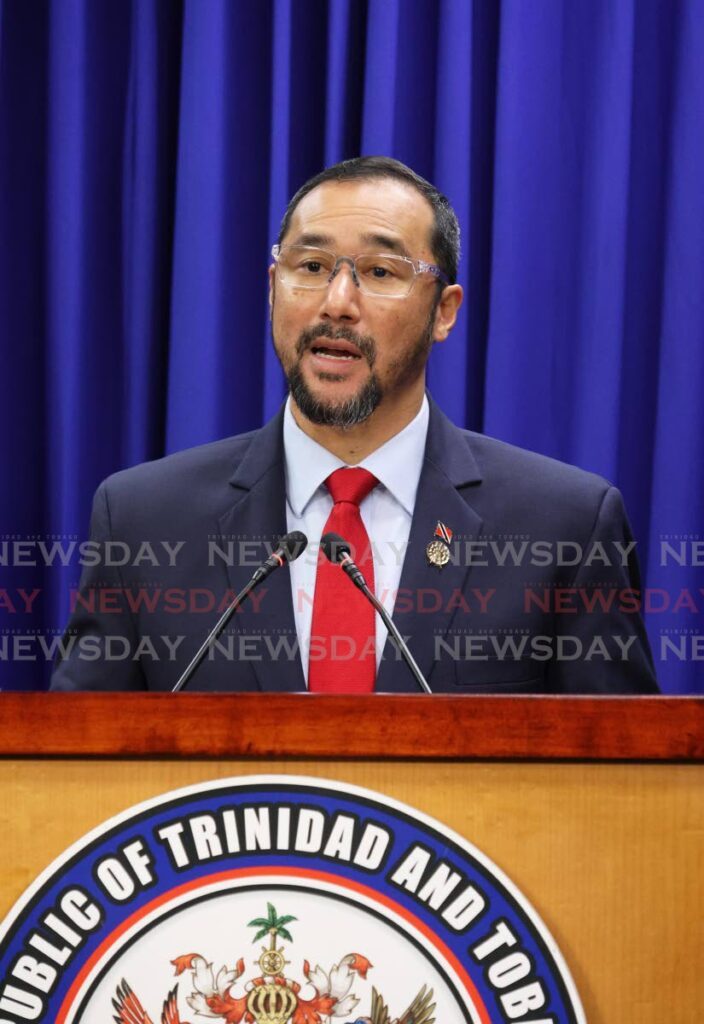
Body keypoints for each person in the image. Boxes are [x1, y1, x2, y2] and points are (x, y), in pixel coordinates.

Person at [51, 156, 659, 694]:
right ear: (273, 289)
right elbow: (73, 782)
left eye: (380, 272)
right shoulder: (142, 520)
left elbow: (621, 792)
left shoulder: (565, 526)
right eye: (311, 266)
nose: (336, 301)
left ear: (443, 312)